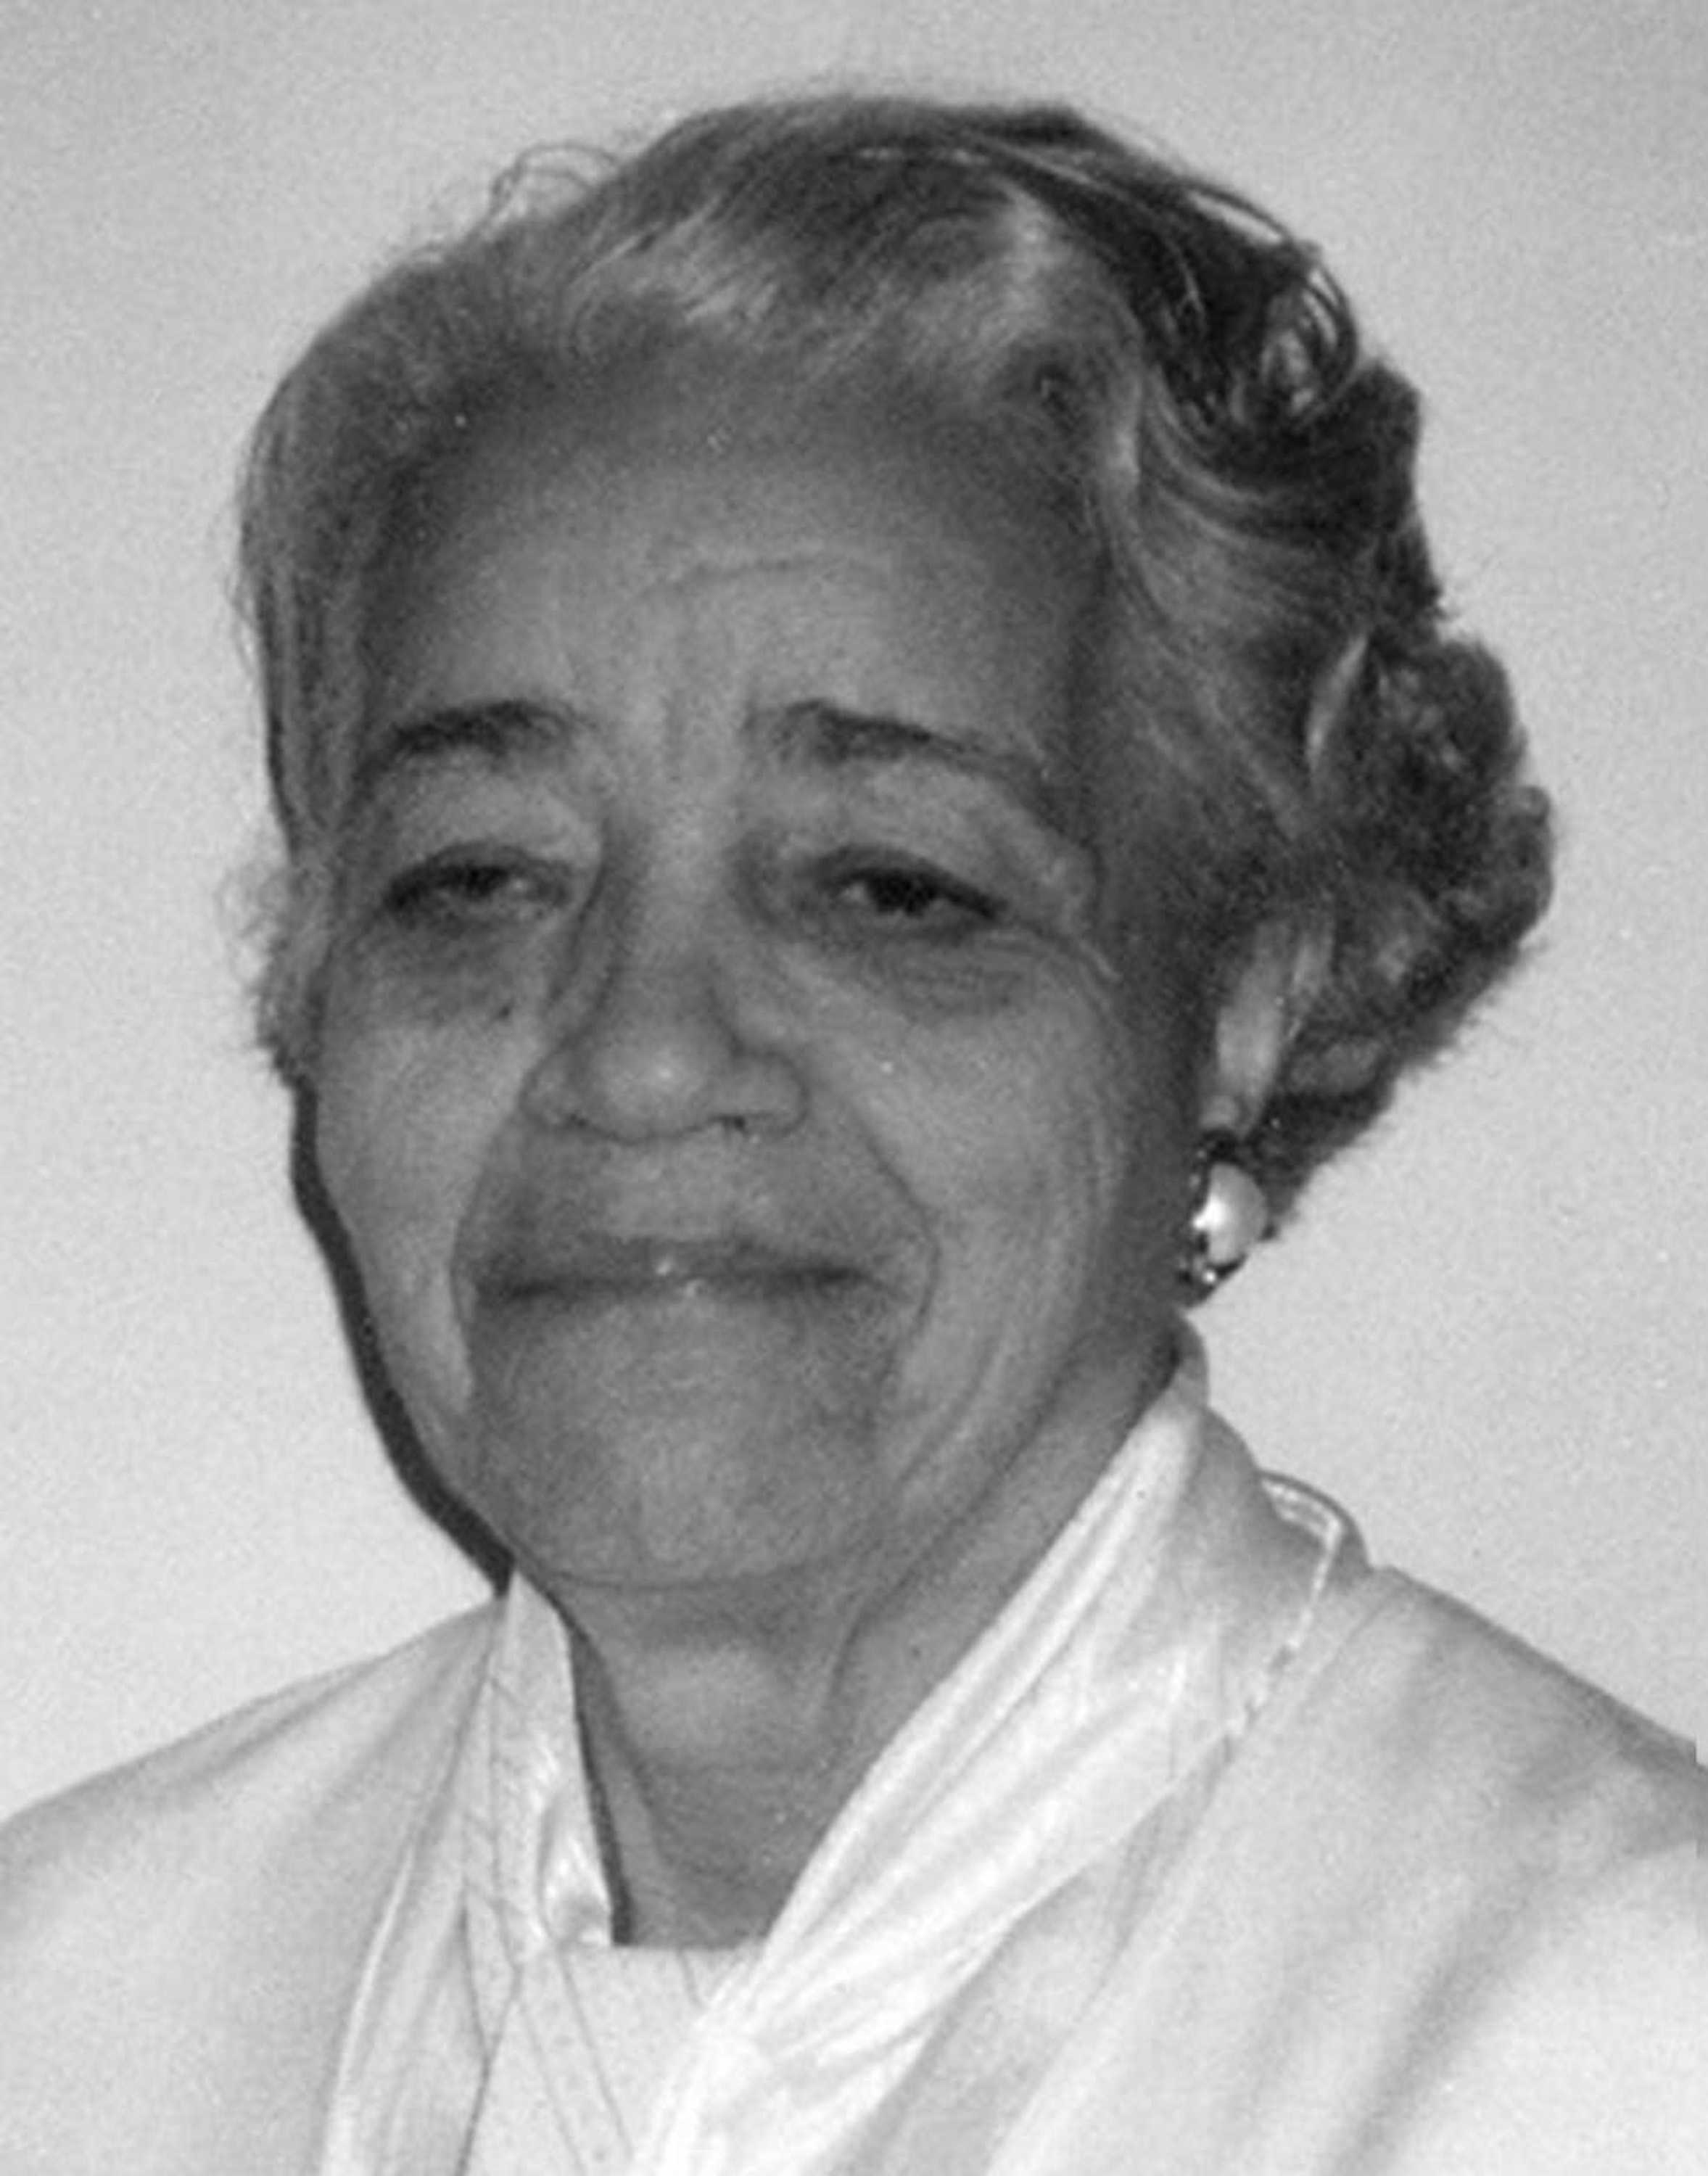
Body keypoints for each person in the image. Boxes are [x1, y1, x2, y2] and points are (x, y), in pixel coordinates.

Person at [1, 91, 1701, 2176]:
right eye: (478, 876)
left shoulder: (1623, 2037)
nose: (635, 1057)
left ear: (1243, 995)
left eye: (887, 885)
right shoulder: (61, 2010)